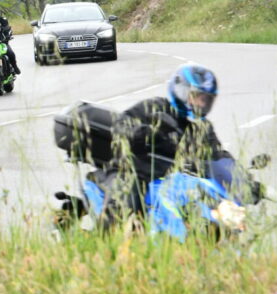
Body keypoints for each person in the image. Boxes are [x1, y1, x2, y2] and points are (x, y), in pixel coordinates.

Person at [96, 63, 238, 221]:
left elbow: (217, 155)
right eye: (196, 97)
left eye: (205, 100)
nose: (200, 104)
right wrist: (147, 133)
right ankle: (104, 243)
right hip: (134, 170)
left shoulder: (202, 127)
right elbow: (121, 125)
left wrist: (243, 181)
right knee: (123, 204)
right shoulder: (154, 107)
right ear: (180, 91)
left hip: (173, 181)